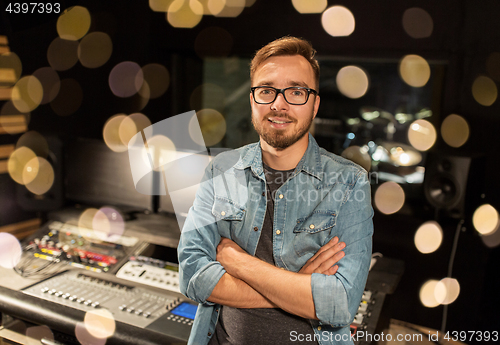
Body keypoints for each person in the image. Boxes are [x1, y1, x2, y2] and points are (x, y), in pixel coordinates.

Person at [178, 36, 373, 345]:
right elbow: (193, 277)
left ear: (315, 103)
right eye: (267, 90)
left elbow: (339, 305)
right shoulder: (221, 170)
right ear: (252, 100)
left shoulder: (349, 182)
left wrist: (238, 262)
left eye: (296, 91)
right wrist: (300, 286)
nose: (279, 104)